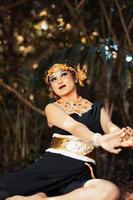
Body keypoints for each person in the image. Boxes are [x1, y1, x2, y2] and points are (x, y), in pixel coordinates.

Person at [1, 63, 132, 200]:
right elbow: (74, 127)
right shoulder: (52, 108)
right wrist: (99, 139)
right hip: (52, 166)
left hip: (81, 171)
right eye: (53, 79)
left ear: (75, 78)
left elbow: (110, 127)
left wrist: (123, 137)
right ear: (51, 86)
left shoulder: (96, 109)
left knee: (109, 191)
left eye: (63, 74)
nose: (59, 80)